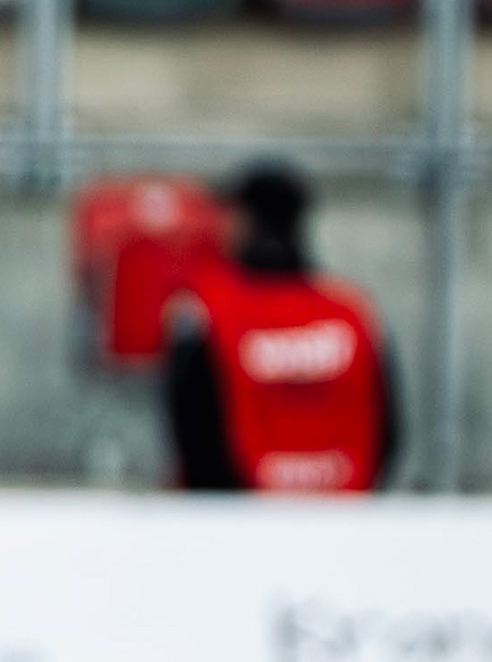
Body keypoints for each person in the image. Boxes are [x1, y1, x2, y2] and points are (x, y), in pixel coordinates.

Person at [165, 162, 396, 494]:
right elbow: (387, 431)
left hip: (238, 513)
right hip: (344, 509)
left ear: (245, 221)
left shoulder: (204, 312)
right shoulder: (354, 313)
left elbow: (193, 432)